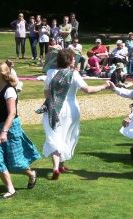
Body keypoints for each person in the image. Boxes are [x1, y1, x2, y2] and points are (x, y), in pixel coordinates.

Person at [42, 49, 109, 180]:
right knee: (68, 135)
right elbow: (88, 90)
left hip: (54, 107)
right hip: (71, 108)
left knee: (54, 136)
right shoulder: (74, 74)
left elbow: (46, 93)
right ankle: (60, 165)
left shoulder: (50, 73)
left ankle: (56, 166)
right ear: (70, 60)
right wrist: (104, 86)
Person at [0, 62, 40, 199]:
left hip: (10, 128)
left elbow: (12, 113)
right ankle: (11, 189)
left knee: (15, 162)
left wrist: (4, 131)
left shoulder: (9, 90)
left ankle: (31, 174)